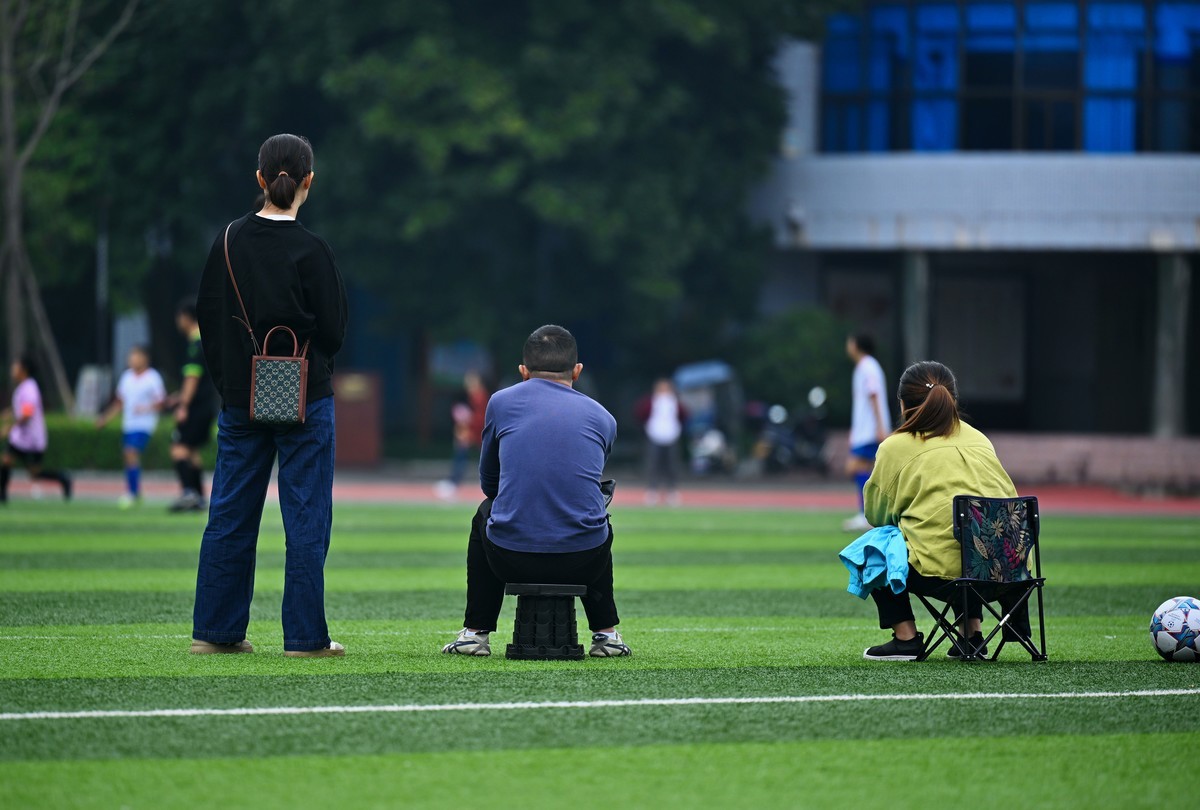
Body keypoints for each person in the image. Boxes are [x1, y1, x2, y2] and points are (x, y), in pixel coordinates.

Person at [191, 133, 348, 657]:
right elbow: (333, 331)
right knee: (306, 519)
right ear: (309, 182)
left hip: (241, 398)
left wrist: (232, 384)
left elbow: (209, 325)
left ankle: (215, 634)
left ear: (259, 179)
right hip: (305, 396)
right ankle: (305, 640)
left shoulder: (229, 240)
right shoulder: (313, 249)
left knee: (230, 514)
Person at [442, 324, 631, 658]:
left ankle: (475, 634)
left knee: (483, 514)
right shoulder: (603, 417)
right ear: (577, 370)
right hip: (582, 560)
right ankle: (607, 636)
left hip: (510, 557)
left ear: (523, 371)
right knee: (597, 518)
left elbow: (490, 484)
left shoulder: (500, 403)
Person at [860, 360, 1018, 661]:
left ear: (903, 404)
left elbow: (876, 516)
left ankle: (905, 638)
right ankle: (971, 635)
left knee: (876, 544)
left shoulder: (895, 447)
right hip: (1005, 573)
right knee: (970, 533)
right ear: (952, 400)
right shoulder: (979, 438)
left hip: (945, 577)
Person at [95, 346, 166, 509]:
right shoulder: (126, 377)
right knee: (129, 456)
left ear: (144, 358)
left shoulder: (152, 377)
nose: (131, 359)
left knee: (130, 452)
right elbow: (119, 402)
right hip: (129, 424)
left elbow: (162, 402)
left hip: (145, 424)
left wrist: (146, 408)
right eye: (130, 356)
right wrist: (105, 419)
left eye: (135, 356)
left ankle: (132, 493)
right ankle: (135, 492)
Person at [166, 299, 218, 512]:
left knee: (178, 449)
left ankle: (188, 493)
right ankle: (199, 498)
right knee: (192, 451)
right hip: (208, 404)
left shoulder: (195, 344)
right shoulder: (207, 340)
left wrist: (183, 405)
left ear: (187, 318)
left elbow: (193, 377)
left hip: (195, 406)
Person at [1, 353, 72, 503]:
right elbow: (19, 409)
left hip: (32, 439)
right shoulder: (22, 388)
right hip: (21, 437)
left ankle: (63, 478)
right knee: (6, 459)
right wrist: (7, 414)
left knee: (34, 473)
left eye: (16, 366)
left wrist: (9, 427)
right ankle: (2, 495)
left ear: (23, 369)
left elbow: (27, 414)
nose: (13, 369)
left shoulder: (29, 388)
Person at [843, 333, 890, 532]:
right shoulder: (866, 366)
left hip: (870, 430)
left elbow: (873, 394)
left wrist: (880, 427)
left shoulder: (867, 367)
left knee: (855, 468)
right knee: (868, 470)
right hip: (866, 429)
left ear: (855, 345)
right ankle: (871, 514)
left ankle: (866, 514)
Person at [434, 370, 490, 501]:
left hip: (480, 434)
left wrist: (467, 424)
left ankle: (454, 483)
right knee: (462, 456)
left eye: (471, 380)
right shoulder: (472, 396)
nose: (468, 383)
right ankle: (453, 483)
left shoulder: (480, 396)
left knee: (485, 460)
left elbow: (482, 418)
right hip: (475, 434)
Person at [635, 378, 687, 506]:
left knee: (672, 465)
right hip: (655, 436)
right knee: (653, 464)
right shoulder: (651, 401)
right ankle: (652, 491)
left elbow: (684, 414)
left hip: (671, 436)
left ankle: (672, 491)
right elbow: (640, 412)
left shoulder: (675, 402)